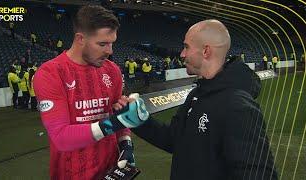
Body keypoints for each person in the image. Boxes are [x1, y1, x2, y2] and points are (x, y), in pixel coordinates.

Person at [132, 20, 278, 179]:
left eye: (186, 47)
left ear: (206, 51)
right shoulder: (195, 94)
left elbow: (261, 175)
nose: (182, 54)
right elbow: (175, 140)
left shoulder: (237, 106)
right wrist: (139, 120)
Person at [33, 5, 149, 179]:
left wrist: (125, 143)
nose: (109, 51)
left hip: (111, 172)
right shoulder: (51, 73)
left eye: (111, 43)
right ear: (80, 39)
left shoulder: (112, 71)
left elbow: (119, 116)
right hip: (70, 174)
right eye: (102, 44)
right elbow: (61, 138)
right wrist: (114, 123)